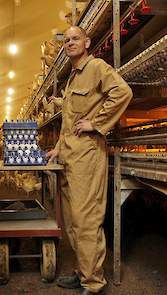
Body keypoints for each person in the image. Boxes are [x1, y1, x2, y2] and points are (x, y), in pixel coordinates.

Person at [46, 26, 132, 295]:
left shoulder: (96, 67)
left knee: (86, 220)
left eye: (75, 39)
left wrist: (96, 123)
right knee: (72, 221)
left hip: (88, 157)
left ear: (87, 41)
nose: (70, 42)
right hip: (70, 156)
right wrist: (58, 148)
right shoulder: (73, 77)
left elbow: (123, 92)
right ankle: (82, 272)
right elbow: (69, 122)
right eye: (66, 40)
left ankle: (94, 283)